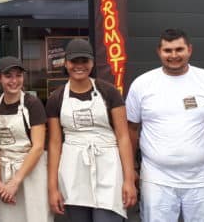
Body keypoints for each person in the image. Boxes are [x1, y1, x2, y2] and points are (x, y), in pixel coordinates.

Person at [125, 28, 204, 222]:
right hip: (157, 179)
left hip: (202, 178)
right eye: (167, 50)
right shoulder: (142, 84)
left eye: (179, 49)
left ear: (190, 50)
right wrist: (132, 170)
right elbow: (131, 130)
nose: (173, 55)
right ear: (159, 52)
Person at [46, 38, 137, 222]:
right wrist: (53, 187)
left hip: (108, 168)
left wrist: (129, 179)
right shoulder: (56, 98)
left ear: (92, 63)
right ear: (66, 63)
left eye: (84, 61)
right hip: (73, 170)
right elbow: (55, 144)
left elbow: (123, 137)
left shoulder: (109, 92)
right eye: (74, 61)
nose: (79, 66)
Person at [0, 56, 52, 222]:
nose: (14, 81)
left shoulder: (33, 104)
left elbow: (37, 147)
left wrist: (15, 182)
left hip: (32, 173)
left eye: (18, 75)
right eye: (8, 76)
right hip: (4, 174)